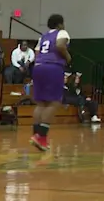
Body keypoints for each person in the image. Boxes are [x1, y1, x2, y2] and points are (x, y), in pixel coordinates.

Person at [29, 14, 71, 151]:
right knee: (54, 102)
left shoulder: (43, 36)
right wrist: (68, 57)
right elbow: (60, 45)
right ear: (59, 24)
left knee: (41, 103)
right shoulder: (62, 33)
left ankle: (35, 134)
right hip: (52, 67)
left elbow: (36, 54)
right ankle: (41, 137)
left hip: (38, 67)